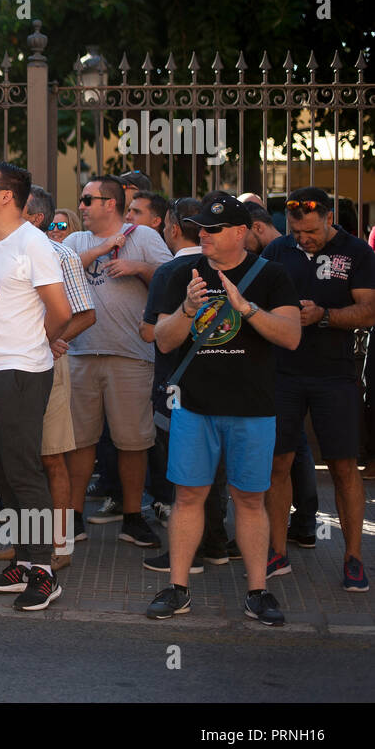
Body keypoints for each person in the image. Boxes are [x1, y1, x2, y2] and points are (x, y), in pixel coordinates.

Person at [147, 192, 300, 625]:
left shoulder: (271, 276)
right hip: (194, 408)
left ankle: (258, 592)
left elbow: (290, 336)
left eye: (213, 229)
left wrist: (246, 309)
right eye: (200, 229)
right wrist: (187, 308)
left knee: (249, 500)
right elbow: (163, 339)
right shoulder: (184, 274)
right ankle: (178, 588)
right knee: (188, 496)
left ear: (241, 232)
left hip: (252, 408)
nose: (204, 235)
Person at [0, 163, 72, 610]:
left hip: (22, 373)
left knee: (25, 471)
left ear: (6, 196)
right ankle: (23, 563)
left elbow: (60, 311)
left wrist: (34, 346)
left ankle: (43, 571)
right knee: (1, 471)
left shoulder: (35, 244)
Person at [261, 187, 375, 591]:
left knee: (344, 466)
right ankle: (276, 551)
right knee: (278, 461)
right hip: (283, 373)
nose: (303, 238)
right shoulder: (279, 251)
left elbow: (369, 309)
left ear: (328, 219)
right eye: (296, 231)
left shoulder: (357, 252)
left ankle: (353, 557)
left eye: (310, 231)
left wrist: (323, 316)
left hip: (335, 375)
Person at [64, 175, 172, 547]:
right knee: (79, 442)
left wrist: (139, 268)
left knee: (133, 442)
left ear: (109, 203)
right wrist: (106, 247)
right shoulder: (77, 239)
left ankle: (132, 517)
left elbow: (170, 278)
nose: (81, 206)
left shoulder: (143, 237)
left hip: (130, 355)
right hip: (81, 353)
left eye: (87, 200)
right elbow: (64, 269)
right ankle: (73, 518)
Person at [140, 197, 235, 573]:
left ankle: (189, 551)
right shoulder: (232, 267)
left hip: (178, 386)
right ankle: (215, 543)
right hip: (226, 382)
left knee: (184, 472)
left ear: (175, 228)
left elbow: (152, 332)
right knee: (217, 468)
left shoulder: (170, 272)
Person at [16, 185, 96, 567]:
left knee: (51, 457)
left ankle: (59, 545)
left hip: (48, 366)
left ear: (35, 218)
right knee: (18, 458)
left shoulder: (62, 255)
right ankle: (26, 544)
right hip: (8, 367)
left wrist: (51, 340)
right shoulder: (1, 250)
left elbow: (85, 313)